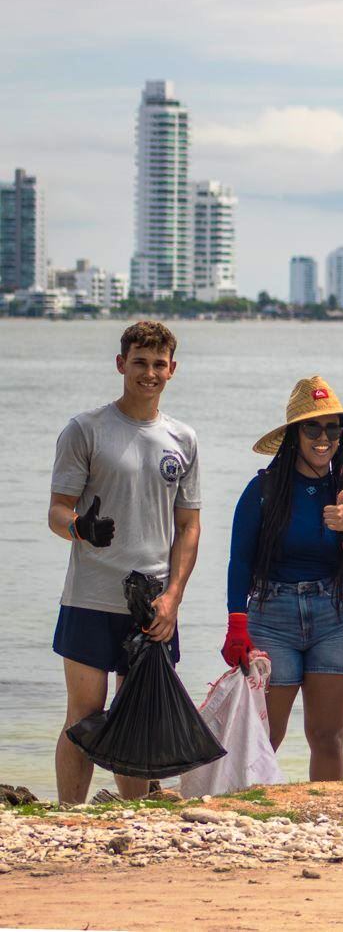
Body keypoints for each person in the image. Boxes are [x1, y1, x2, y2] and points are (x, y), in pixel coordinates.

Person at [48, 321, 201, 804]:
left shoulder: (183, 438)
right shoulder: (86, 429)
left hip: (152, 603)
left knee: (138, 713)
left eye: (159, 364)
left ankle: (133, 812)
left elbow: (189, 528)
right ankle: (68, 812)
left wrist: (173, 597)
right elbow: (56, 511)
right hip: (91, 596)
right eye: (140, 362)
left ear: (172, 370)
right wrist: (80, 528)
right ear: (121, 365)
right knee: (84, 714)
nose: (149, 373)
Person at [221, 376, 343, 781]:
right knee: (265, 736)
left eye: (333, 428)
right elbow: (239, 560)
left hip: (335, 617)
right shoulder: (263, 489)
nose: (323, 437)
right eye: (313, 427)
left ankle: (326, 822)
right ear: (295, 434)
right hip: (272, 618)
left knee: (327, 737)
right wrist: (236, 625)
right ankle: (250, 814)